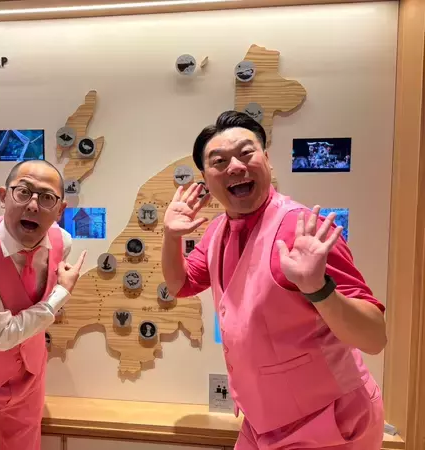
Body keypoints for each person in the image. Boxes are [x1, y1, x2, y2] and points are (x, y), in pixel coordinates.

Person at [161, 111, 386, 449]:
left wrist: (319, 290)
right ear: (205, 178)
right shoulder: (218, 231)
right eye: (219, 161)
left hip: (330, 421)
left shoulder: (302, 229)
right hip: (262, 422)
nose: (235, 166)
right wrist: (170, 237)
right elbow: (180, 285)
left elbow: (374, 336)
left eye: (246, 152)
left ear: (267, 159)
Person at [0, 160, 87, 450]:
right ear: (3, 196)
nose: (33, 205)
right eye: (23, 192)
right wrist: (61, 293)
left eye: (46, 197)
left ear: (60, 210)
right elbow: (3, 335)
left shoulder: (62, 242)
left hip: (30, 379)